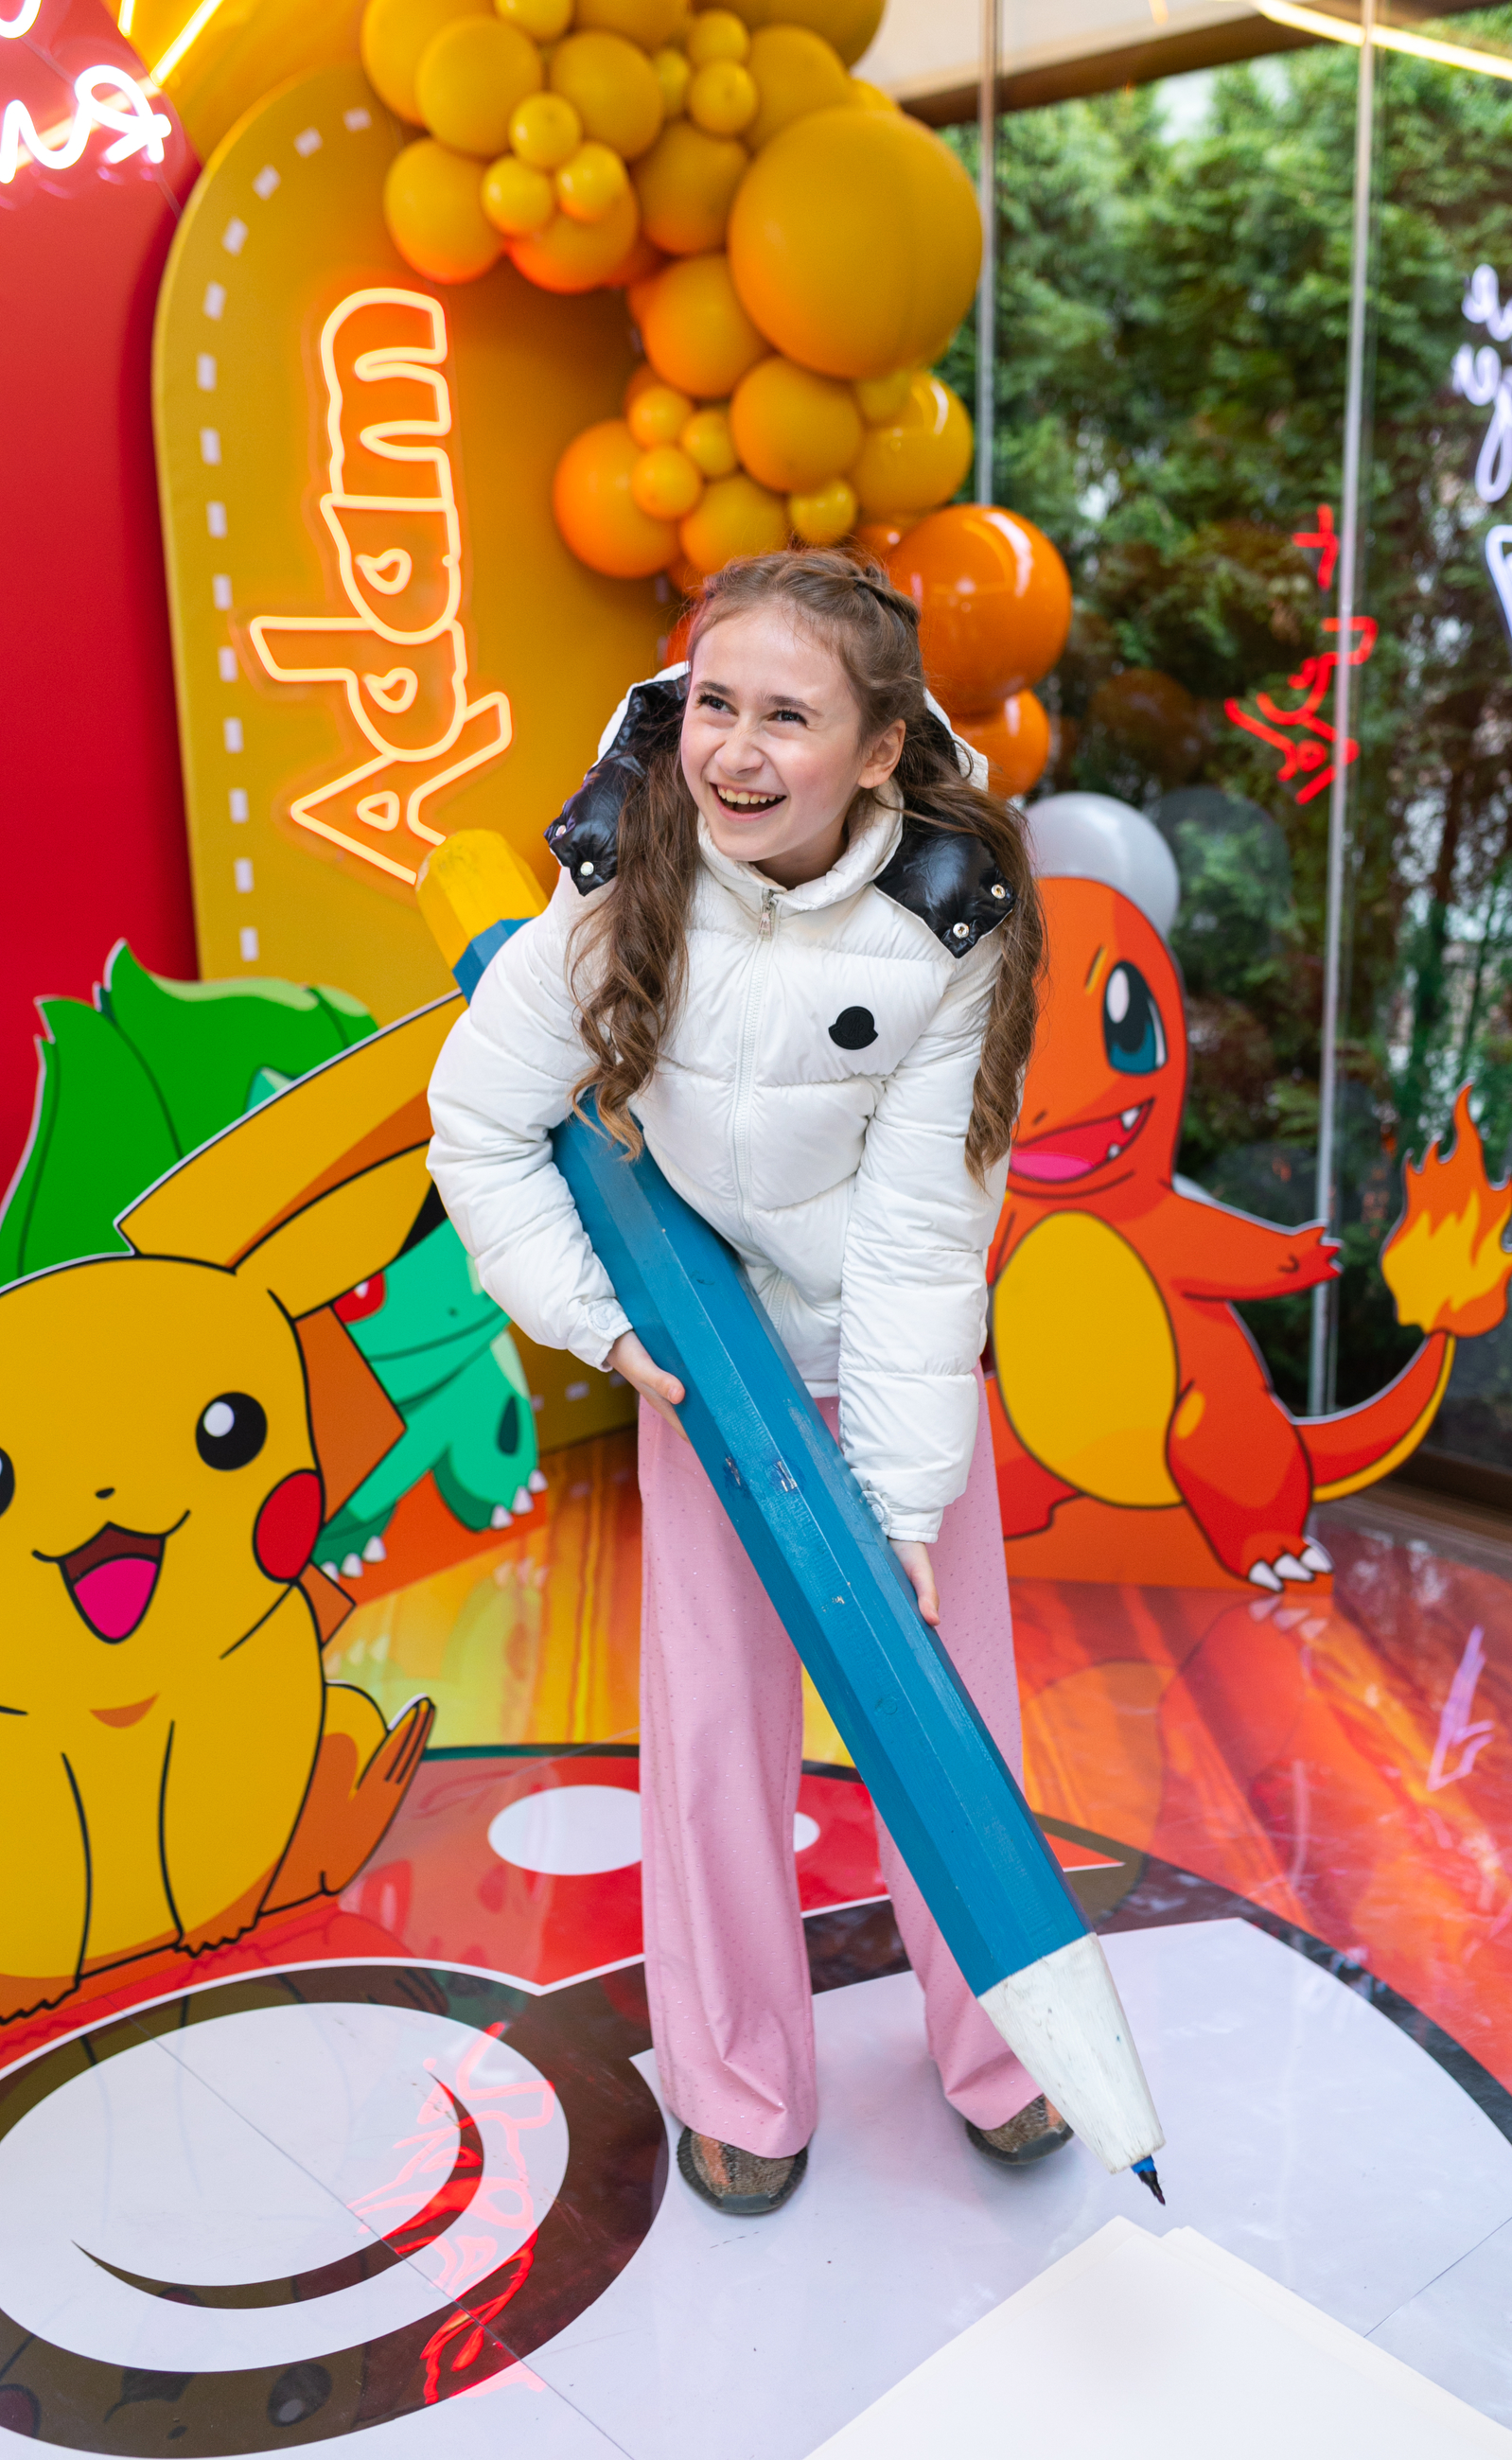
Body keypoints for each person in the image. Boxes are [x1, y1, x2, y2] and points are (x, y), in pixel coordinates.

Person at [427, 548, 1064, 2217]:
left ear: (879, 747)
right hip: (707, 1375)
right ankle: (737, 2084)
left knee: (949, 1721)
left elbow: (925, 1230)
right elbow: (480, 1124)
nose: (737, 749)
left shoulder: (953, 920)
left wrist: (907, 1498)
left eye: (790, 715)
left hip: (888, 1365)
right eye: (716, 702)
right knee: (714, 1739)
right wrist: (606, 1331)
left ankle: (1008, 2051)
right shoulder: (622, 873)